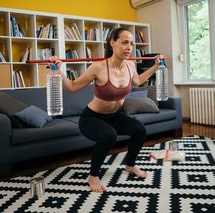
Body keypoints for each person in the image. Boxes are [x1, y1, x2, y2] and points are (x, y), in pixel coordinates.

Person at [50, 27, 163, 193]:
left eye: (131, 43)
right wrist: (58, 70)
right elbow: (72, 87)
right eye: (124, 42)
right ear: (112, 42)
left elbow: (137, 81)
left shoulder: (130, 65)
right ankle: (93, 176)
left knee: (139, 130)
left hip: (115, 115)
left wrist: (155, 66)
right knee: (109, 135)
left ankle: (130, 166)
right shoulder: (98, 67)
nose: (129, 47)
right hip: (92, 118)